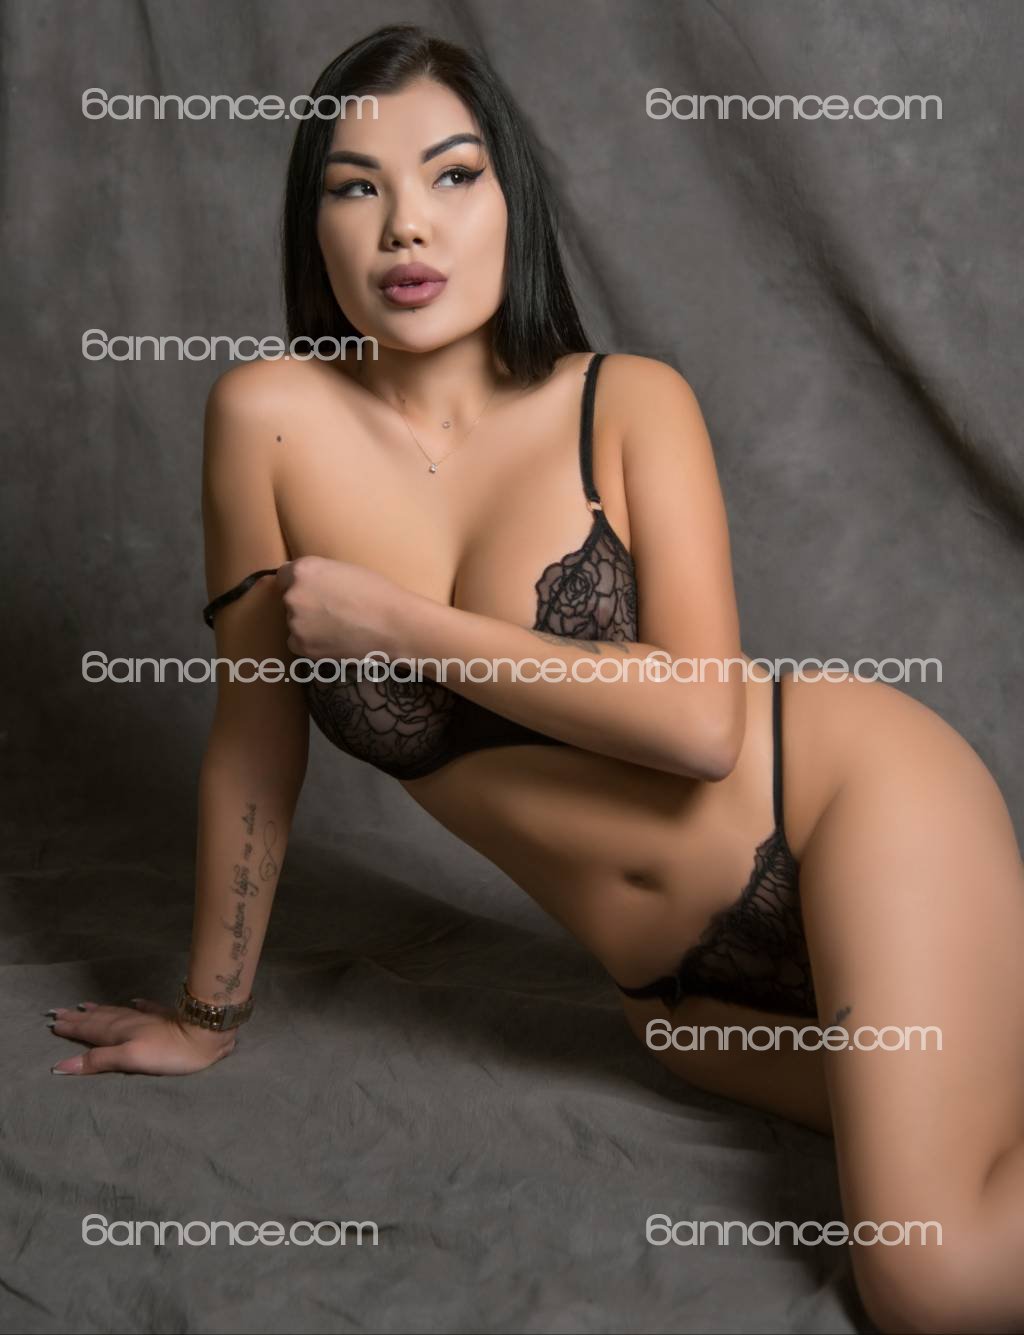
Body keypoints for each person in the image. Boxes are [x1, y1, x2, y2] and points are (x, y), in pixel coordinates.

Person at [48, 24, 1024, 1334]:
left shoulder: (626, 401)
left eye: (453, 175)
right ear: (312, 224)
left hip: (850, 811)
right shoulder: (264, 420)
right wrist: (206, 1015)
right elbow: (255, 745)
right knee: (976, 1133)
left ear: (512, 201)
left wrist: (395, 621)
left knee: (927, 1276)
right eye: (356, 187)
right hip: (686, 1005)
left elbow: (701, 725)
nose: (407, 224)